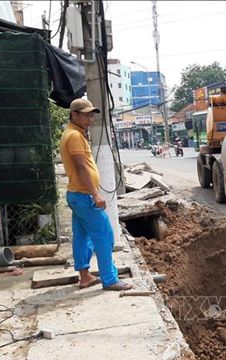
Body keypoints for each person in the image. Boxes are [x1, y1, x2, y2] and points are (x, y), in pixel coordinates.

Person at [60, 98, 133, 291]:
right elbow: (81, 167)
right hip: (84, 196)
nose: (90, 118)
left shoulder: (73, 133)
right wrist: (95, 194)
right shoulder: (74, 135)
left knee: (82, 237)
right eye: (85, 114)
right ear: (74, 114)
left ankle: (85, 277)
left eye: (91, 114)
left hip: (77, 195)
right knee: (104, 236)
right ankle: (110, 279)